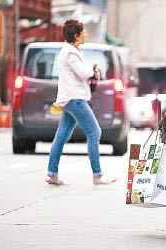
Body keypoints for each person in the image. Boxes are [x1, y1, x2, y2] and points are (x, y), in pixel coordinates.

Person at [45, 19, 116, 185]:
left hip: (71, 98)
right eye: (83, 32)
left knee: (61, 136)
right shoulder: (70, 53)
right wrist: (91, 65)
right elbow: (84, 72)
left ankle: (52, 174)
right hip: (75, 99)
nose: (86, 34)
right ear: (76, 36)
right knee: (94, 132)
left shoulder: (73, 51)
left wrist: (90, 68)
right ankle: (97, 175)